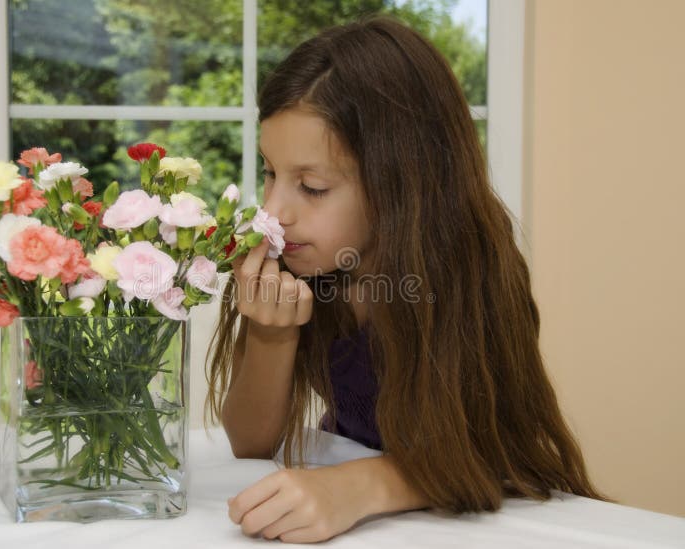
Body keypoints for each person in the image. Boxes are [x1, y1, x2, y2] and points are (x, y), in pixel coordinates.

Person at [205, 15, 609, 544]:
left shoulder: (470, 262)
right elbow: (250, 442)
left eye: (312, 186)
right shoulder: (305, 265)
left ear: (400, 179)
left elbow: (504, 456)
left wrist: (362, 486)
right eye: (270, 173)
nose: (276, 210)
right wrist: (272, 334)